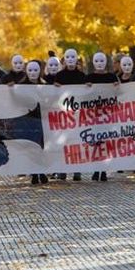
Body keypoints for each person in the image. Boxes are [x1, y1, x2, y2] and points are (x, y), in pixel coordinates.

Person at [86, 52, 119, 182]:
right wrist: (86, 87)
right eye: (97, 60)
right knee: (95, 143)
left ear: (106, 62)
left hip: (108, 116)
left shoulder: (112, 77)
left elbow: (120, 94)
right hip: (93, 115)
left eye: (102, 60)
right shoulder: (89, 77)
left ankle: (104, 169)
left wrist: (117, 87)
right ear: (93, 62)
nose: (100, 63)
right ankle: (96, 169)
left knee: (105, 143)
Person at [53, 49, 86, 180]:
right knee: (63, 142)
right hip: (62, 113)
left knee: (76, 141)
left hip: (78, 114)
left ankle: (77, 170)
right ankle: (63, 169)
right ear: (64, 59)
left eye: (73, 57)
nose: (71, 59)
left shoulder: (82, 76)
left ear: (76, 58)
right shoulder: (59, 76)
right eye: (68, 57)